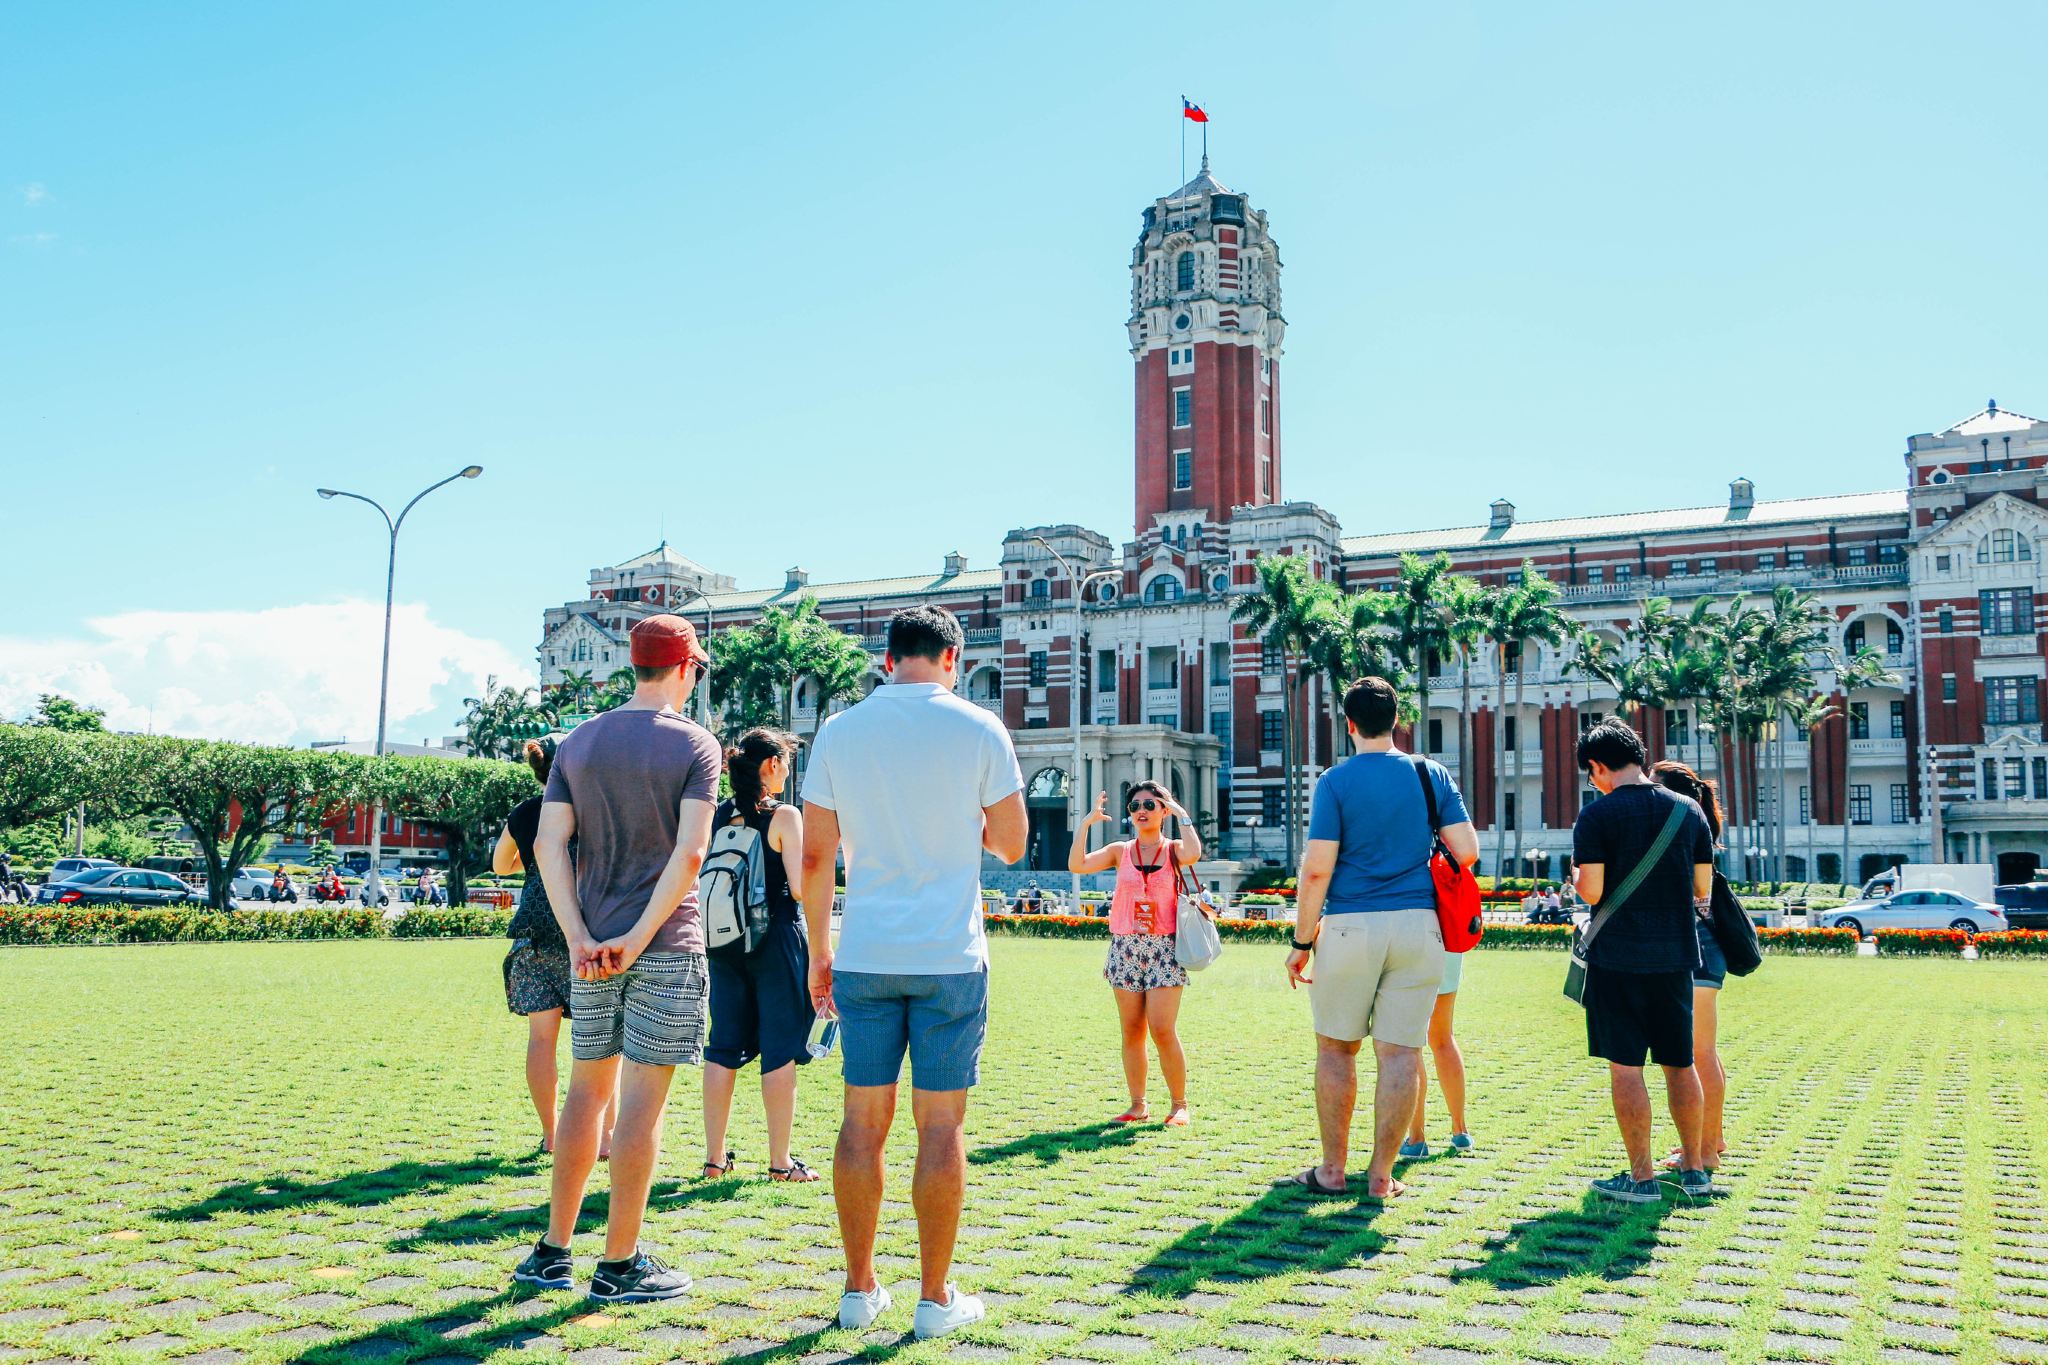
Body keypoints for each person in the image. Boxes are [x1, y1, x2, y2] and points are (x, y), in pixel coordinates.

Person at [800, 605, 1027, 1341]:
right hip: (949, 958)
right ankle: (934, 1297)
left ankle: (860, 1289)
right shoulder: (980, 727)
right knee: (941, 1126)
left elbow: (813, 857)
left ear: (887, 658)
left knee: (861, 1124)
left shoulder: (839, 730)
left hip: (864, 952)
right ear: (953, 656)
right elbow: (1015, 844)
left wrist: (816, 948)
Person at [512, 614, 722, 1303]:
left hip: (589, 945)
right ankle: (621, 1262)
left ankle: (552, 1249)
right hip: (662, 944)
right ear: (686, 668)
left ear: (634, 667)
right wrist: (636, 938)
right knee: (642, 1107)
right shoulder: (696, 743)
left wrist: (579, 936)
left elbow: (548, 846)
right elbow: (691, 853)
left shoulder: (577, 742)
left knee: (586, 1095)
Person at [1284, 677, 1479, 1200]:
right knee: (1399, 1054)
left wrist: (1302, 942)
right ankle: (1381, 1178)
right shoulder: (1429, 773)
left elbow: (1318, 870)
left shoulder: (1335, 782)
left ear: (1348, 724)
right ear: (1397, 719)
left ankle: (1331, 1171)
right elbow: (1466, 850)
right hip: (1420, 927)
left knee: (1336, 1050)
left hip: (1351, 925)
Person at [1571, 719, 1717, 1204]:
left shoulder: (1596, 818)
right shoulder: (1688, 810)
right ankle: (1695, 1170)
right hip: (1676, 954)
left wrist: (1577, 880)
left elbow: (1591, 890)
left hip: (1617, 960)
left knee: (1627, 1068)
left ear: (1598, 767)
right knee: (1679, 1064)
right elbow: (1703, 889)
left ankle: (1641, 1177)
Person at [701, 727, 819, 1184]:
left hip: (724, 944)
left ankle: (714, 1159)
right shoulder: (784, 816)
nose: (787, 771)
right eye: (786, 762)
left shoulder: (716, 816)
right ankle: (779, 1162)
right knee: (780, 1049)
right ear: (770, 765)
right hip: (776, 943)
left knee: (723, 1045)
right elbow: (798, 888)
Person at [494, 737, 617, 1158]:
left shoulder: (528, 812)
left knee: (541, 1040)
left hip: (534, 927)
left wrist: (527, 860)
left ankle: (551, 1134)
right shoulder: (594, 807)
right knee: (601, 1039)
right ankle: (603, 1137)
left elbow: (499, 865)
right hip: (586, 927)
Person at [1067, 779, 1206, 1126]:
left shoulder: (1173, 848)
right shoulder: (1120, 851)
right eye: (1135, 806)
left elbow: (1194, 854)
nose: (1141, 811)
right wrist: (1085, 825)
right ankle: (1138, 1105)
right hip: (1125, 947)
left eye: (1149, 805)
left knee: (1162, 1028)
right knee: (1132, 1030)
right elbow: (1078, 865)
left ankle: (1179, 1105)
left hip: (1164, 948)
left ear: (1162, 811)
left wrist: (1181, 812)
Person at [1650, 759, 1731, 1174]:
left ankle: (1702, 1153)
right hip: (1710, 947)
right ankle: (1710, 1140)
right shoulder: (1701, 827)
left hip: (1692, 947)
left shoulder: (1682, 828)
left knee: (1697, 1053)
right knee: (1706, 1052)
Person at [1399, 949, 1472, 1159]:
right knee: (1444, 1038)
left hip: (1408, 944)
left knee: (1411, 1044)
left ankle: (1416, 1139)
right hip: (1448, 945)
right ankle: (1461, 1132)